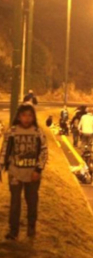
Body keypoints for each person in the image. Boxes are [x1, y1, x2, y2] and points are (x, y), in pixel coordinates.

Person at [0, 103, 48, 240]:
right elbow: (5, 150)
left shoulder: (38, 132)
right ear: (19, 117)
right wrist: (1, 166)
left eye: (30, 115)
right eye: (23, 115)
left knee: (32, 201)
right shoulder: (12, 132)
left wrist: (38, 170)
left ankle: (31, 227)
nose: (26, 118)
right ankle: (13, 230)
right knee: (15, 202)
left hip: (32, 174)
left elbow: (44, 152)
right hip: (15, 173)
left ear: (33, 117)